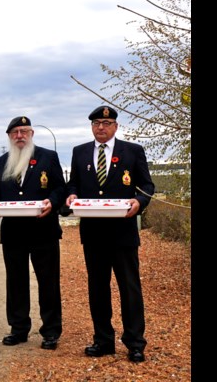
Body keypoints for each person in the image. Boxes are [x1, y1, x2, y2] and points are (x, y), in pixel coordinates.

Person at [64, 106, 155, 363]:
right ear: (91, 127)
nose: (101, 127)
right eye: (96, 123)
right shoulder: (80, 152)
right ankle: (103, 340)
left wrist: (139, 201)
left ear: (115, 126)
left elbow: (147, 185)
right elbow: (75, 184)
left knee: (129, 288)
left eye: (106, 122)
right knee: (98, 288)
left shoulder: (132, 151)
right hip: (93, 233)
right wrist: (71, 194)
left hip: (123, 231)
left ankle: (135, 343)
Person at [0, 116, 66, 350]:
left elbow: (60, 187)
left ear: (31, 134)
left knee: (48, 283)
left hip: (44, 231)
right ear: (9, 137)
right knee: (16, 283)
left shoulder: (48, 157)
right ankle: (19, 329)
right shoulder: (1, 163)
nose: (19, 136)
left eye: (24, 131)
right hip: (13, 233)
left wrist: (52, 201)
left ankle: (51, 332)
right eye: (15, 133)